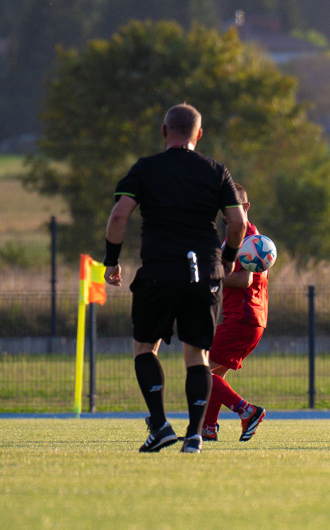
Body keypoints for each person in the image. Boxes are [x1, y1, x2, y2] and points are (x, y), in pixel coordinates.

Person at [103, 103, 247, 454]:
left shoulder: (146, 169)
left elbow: (120, 215)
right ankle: (194, 436)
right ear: (199, 134)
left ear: (164, 131)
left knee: (144, 347)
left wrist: (111, 261)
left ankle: (160, 425)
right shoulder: (216, 171)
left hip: (159, 270)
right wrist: (227, 259)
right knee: (197, 354)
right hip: (206, 271)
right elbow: (238, 222)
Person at [202, 183, 268, 443]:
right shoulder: (240, 235)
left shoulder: (246, 237)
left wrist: (209, 274)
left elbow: (243, 280)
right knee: (215, 375)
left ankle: (247, 411)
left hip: (244, 317)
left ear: (247, 208)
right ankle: (207, 427)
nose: (227, 214)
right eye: (225, 209)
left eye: (234, 208)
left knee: (199, 368)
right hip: (249, 319)